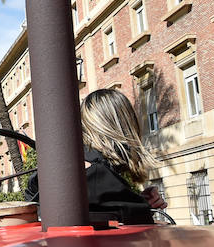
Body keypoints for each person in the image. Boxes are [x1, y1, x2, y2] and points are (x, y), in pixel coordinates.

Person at [25, 88, 167, 225]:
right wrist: (140, 206)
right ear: (125, 128)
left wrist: (137, 202)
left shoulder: (61, 171)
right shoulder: (99, 176)